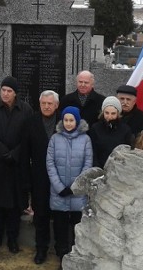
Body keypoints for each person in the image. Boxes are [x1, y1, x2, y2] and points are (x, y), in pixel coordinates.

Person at [0, 76, 34, 254]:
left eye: (9, 91)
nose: (5, 94)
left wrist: (14, 154)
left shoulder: (26, 110)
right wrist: (3, 153)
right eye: (3, 90)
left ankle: (13, 239)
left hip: (16, 165)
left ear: (15, 93)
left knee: (14, 206)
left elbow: (27, 135)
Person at [46, 106, 92, 262]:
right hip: (59, 193)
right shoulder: (55, 138)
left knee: (77, 227)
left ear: (77, 121)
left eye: (71, 120)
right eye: (66, 120)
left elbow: (87, 164)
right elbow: (50, 164)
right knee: (60, 227)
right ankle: (62, 256)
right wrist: (59, 187)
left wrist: (76, 186)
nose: (68, 123)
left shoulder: (85, 139)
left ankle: (76, 256)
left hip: (77, 194)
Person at [24, 90, 60, 264]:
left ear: (56, 105)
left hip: (60, 178)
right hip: (38, 177)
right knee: (41, 216)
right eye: (43, 103)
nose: (46, 106)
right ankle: (41, 249)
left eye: (50, 103)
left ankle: (62, 250)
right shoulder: (31, 122)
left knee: (60, 215)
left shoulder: (64, 121)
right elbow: (26, 150)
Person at [87, 96, 134, 168]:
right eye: (107, 113)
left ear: (118, 114)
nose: (109, 116)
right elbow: (92, 151)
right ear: (103, 113)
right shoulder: (95, 128)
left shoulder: (125, 130)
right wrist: (97, 167)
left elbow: (128, 152)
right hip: (99, 169)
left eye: (113, 113)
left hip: (118, 169)